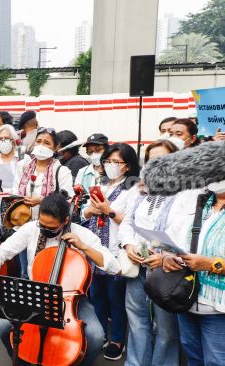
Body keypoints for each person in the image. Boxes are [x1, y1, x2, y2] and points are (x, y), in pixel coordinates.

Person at [0, 194, 119, 366]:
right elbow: (2, 251)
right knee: (3, 327)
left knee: (95, 336)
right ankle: (23, 360)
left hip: (70, 300)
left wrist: (84, 247)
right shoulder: (31, 228)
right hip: (35, 294)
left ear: (65, 221)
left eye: (51, 228)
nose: (45, 230)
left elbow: (114, 267)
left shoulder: (82, 234)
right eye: (42, 225)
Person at [118, 139, 185, 366]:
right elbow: (127, 222)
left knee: (166, 330)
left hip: (166, 268)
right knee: (137, 323)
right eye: (151, 160)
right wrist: (128, 245)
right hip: (138, 265)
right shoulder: (141, 190)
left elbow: (185, 232)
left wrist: (164, 255)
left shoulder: (186, 193)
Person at [82, 143, 139, 360]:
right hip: (95, 248)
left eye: (117, 162)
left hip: (116, 249)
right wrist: (91, 210)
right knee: (96, 295)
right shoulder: (101, 183)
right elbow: (85, 213)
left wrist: (109, 211)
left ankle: (117, 339)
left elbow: (133, 222)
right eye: (108, 161)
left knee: (116, 299)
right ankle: (99, 336)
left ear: (127, 166)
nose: (111, 166)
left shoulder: (133, 188)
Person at [162, 180, 225, 366]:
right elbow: (172, 238)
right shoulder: (199, 203)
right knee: (193, 357)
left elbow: (210, 262)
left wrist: (212, 264)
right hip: (187, 297)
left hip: (218, 309)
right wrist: (167, 257)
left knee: (216, 361)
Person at [12, 127, 73, 278]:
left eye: (47, 143)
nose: (41, 145)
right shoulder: (23, 167)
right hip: (24, 226)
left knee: (47, 271)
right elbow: (15, 191)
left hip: (50, 229)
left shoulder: (61, 171)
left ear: (56, 147)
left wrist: (42, 200)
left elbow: (68, 199)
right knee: (25, 272)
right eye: (39, 141)